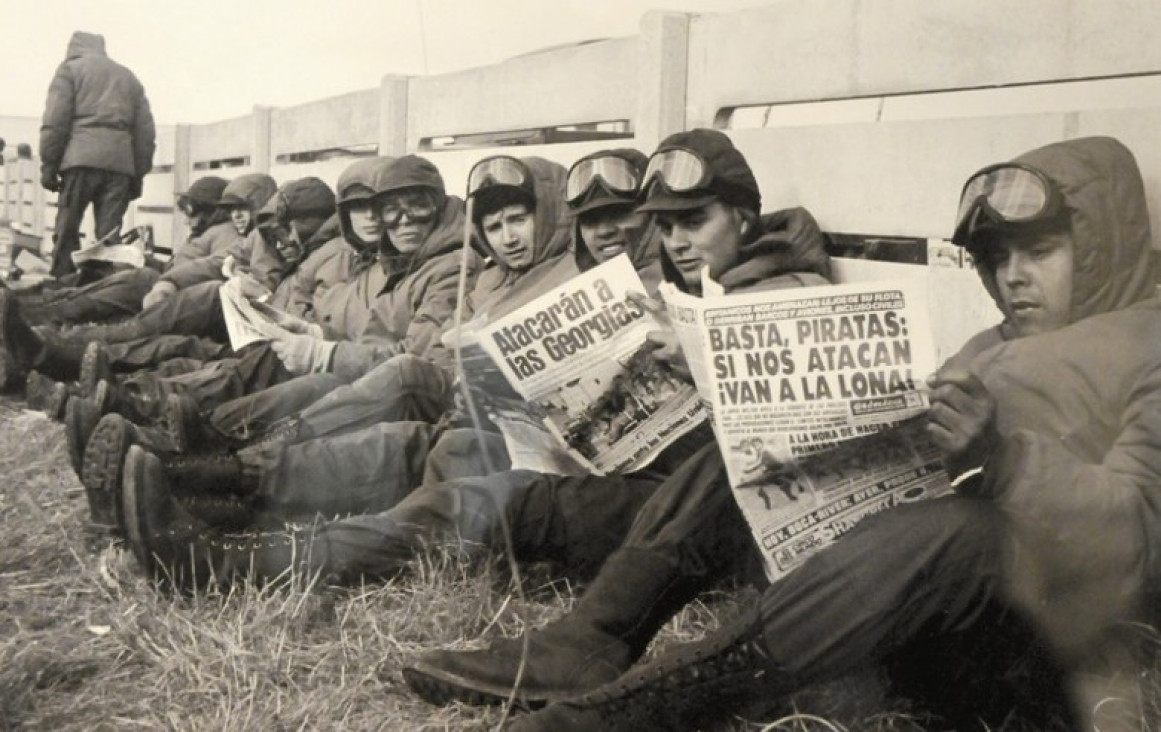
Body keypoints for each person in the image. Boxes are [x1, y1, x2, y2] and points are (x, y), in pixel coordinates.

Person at [409, 136, 1161, 731]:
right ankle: (592, 639)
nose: (1012, 278)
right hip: (906, 608)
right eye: (996, 259)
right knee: (740, 456)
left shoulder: (1149, 349)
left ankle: (644, 707)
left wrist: (1000, 459)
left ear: (1102, 247)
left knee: (957, 531)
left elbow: (1137, 534)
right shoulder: (992, 344)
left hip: (1040, 643)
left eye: (1038, 253)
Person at [115, 132, 833, 604]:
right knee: (439, 448)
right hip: (619, 466)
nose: (675, 239)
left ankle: (227, 565)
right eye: (666, 224)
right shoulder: (691, 286)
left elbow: (792, 451)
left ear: (741, 215)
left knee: (467, 497)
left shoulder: (782, 295)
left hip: (693, 508)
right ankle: (215, 485)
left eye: (693, 221)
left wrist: (700, 363)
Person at [39, 31, 156, 279]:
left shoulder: (69, 70)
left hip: (79, 159)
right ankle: (101, 284)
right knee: (108, 236)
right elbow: (145, 133)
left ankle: (62, 281)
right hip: (119, 165)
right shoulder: (128, 77)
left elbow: (55, 122)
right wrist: (138, 175)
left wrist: (48, 166)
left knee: (68, 226)